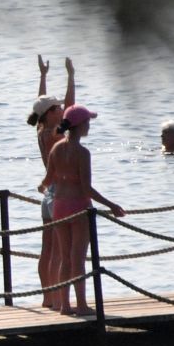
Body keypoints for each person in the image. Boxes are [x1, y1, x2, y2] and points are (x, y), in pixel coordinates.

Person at [40, 105, 125, 315]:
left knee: (65, 258)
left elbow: (47, 180)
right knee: (78, 258)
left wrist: (41, 186)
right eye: (88, 122)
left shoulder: (56, 149)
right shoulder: (83, 153)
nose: (89, 126)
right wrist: (112, 205)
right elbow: (86, 188)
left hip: (59, 206)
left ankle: (65, 305)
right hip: (78, 207)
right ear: (81, 125)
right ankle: (82, 304)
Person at [28, 54, 75, 311]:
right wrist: (71, 76)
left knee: (47, 249)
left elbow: (40, 106)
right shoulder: (56, 133)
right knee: (58, 250)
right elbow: (71, 106)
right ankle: (57, 298)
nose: (61, 109)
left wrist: (43, 76)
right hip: (58, 194)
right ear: (51, 114)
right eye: (56, 108)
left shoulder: (41, 130)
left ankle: (48, 297)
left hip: (48, 194)